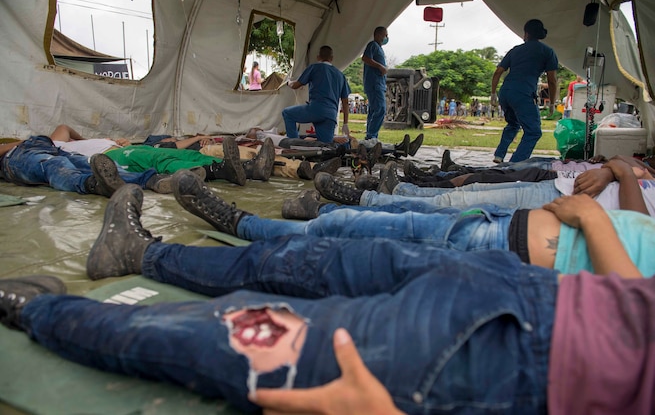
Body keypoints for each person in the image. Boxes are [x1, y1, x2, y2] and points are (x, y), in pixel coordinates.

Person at [1, 183, 653, 414]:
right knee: (304, 257)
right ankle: (139, 254)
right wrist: (596, 222)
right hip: (514, 282)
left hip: (491, 359)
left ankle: (37, 310)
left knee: (214, 333)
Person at [170, 169, 654, 276]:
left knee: (347, 243)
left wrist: (591, 213)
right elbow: (635, 225)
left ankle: (242, 224)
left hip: (508, 251)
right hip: (513, 223)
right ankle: (332, 205)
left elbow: (631, 309)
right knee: (388, 219)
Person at [316, 157, 655, 219]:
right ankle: (398, 191)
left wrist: (621, 173)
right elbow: (622, 159)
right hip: (562, 186)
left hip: (572, 211)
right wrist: (613, 169)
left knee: (452, 210)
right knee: (463, 196)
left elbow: (638, 225)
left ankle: (365, 199)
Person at [49, 125, 271, 185]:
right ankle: (219, 171)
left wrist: (84, 140)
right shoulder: (57, 146)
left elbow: (70, 131)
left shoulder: (77, 145)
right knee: (162, 160)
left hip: (122, 149)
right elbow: (63, 127)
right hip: (113, 157)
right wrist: (78, 141)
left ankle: (248, 168)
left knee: (188, 156)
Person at [0, 135, 167, 196]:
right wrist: (23, 142)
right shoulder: (12, 152)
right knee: (55, 165)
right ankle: (93, 184)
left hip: (51, 146)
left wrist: (83, 140)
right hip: (15, 157)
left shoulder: (57, 139)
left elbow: (64, 128)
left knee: (88, 161)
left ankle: (153, 180)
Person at [491, 19, 558, 163]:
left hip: (506, 91)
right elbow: (552, 80)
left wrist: (493, 94)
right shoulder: (547, 51)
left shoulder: (515, 50)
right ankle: (515, 164)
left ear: (526, 33)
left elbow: (498, 72)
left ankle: (499, 155)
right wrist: (552, 103)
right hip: (523, 93)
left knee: (513, 124)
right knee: (533, 132)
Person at [282, 46, 351, 144]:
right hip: (331, 115)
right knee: (325, 145)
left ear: (318, 57)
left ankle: (294, 143)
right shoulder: (340, 75)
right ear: (332, 59)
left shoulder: (314, 68)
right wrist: (345, 123)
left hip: (316, 109)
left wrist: (288, 81)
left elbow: (295, 85)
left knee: (287, 113)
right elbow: (345, 102)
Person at [361, 26, 388, 140]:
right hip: (374, 84)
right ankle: (371, 136)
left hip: (379, 83)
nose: (386, 37)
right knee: (380, 109)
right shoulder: (373, 45)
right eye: (385, 35)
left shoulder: (379, 48)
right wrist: (380, 66)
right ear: (377, 35)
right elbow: (365, 58)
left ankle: (371, 136)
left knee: (373, 110)